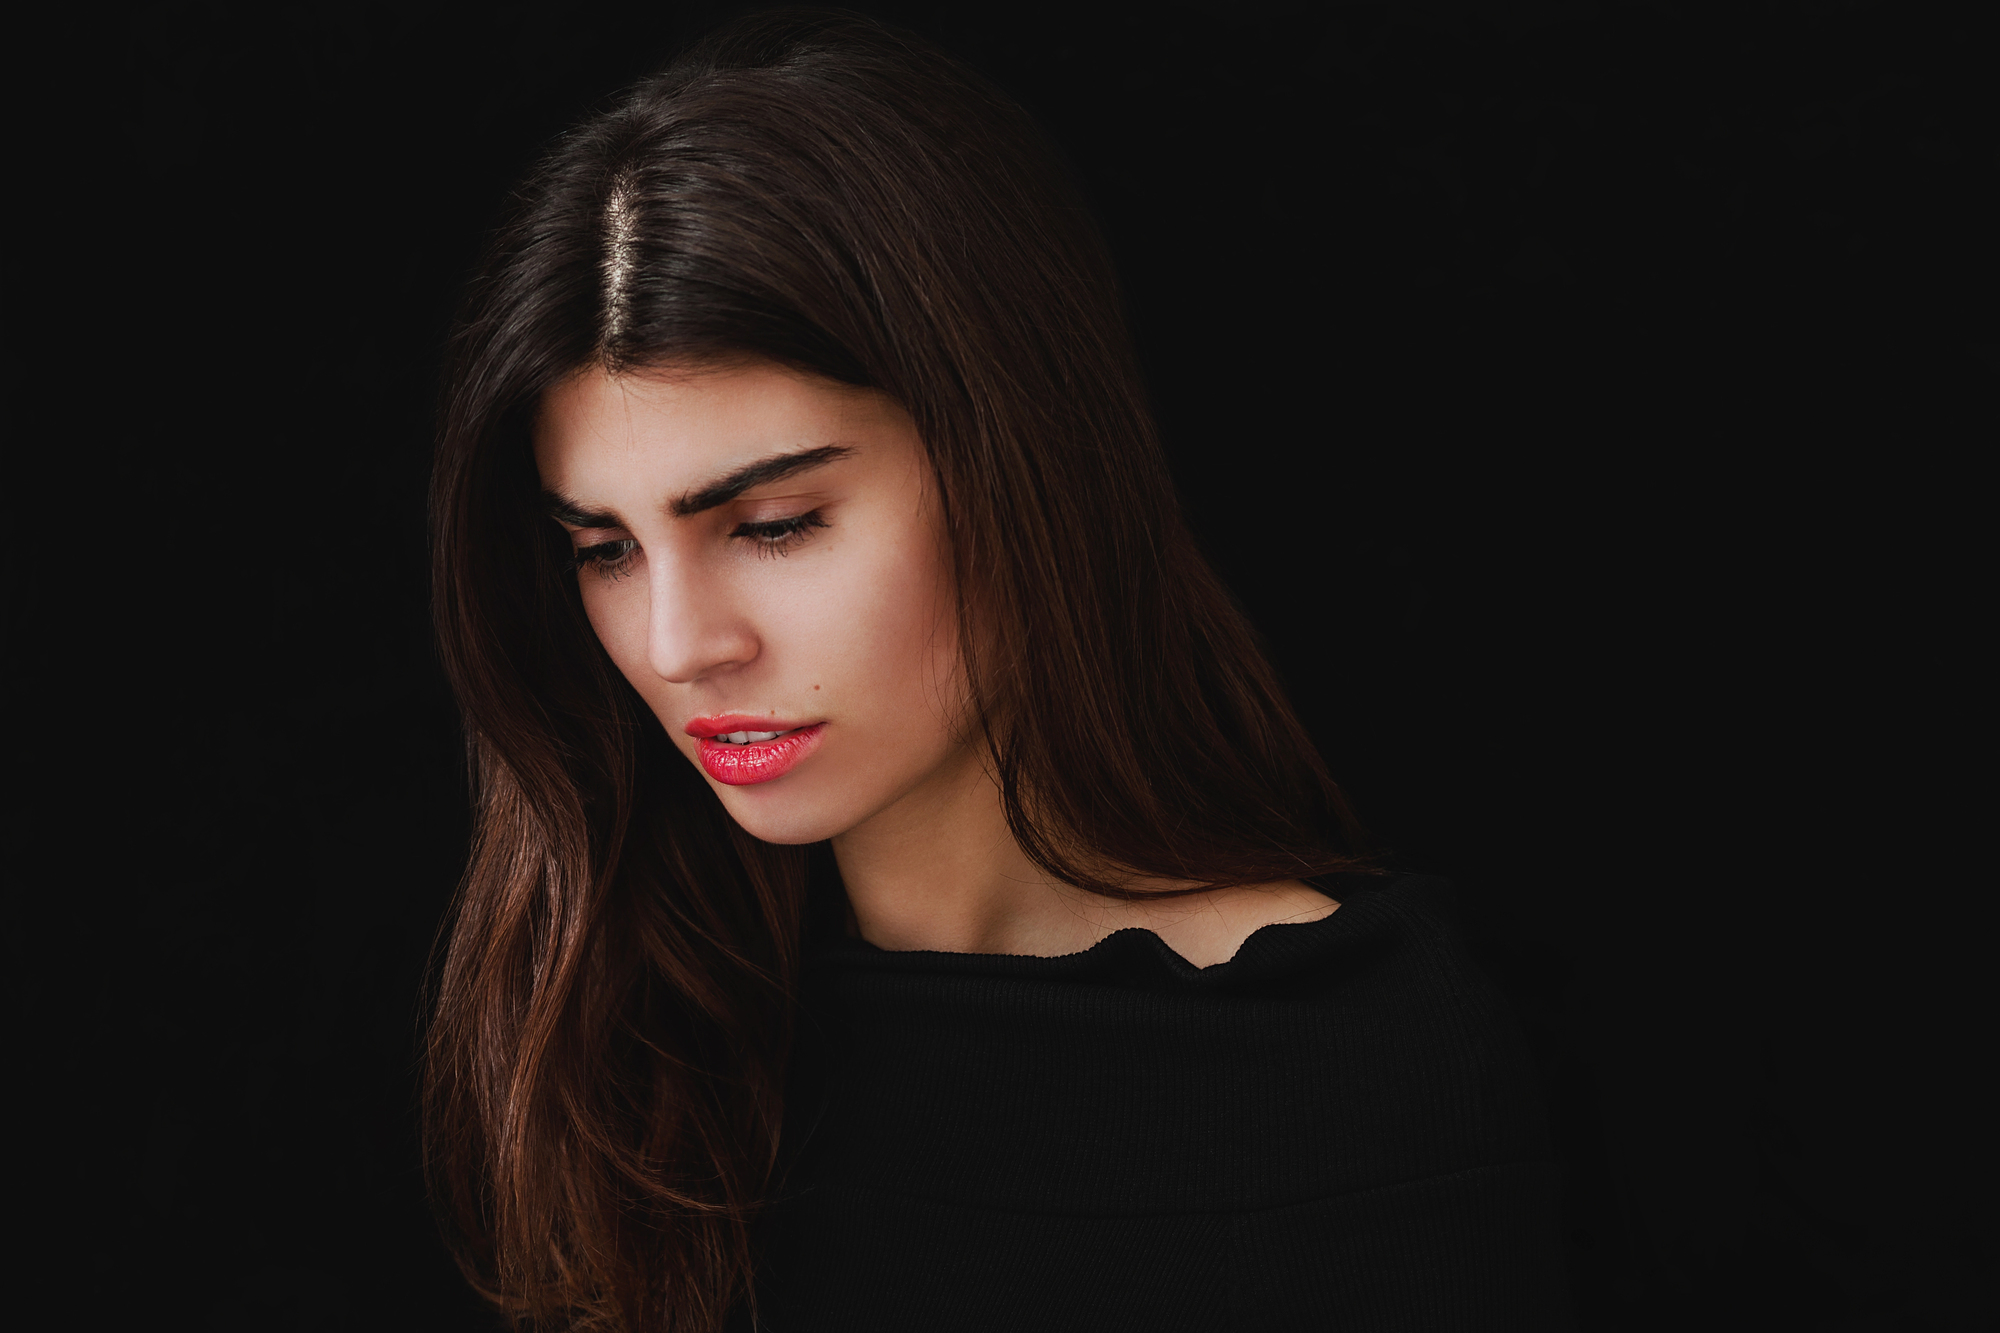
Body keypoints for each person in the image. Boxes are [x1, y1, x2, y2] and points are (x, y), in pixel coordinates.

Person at [425, 10, 1571, 1331]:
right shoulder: (626, 1024)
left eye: (773, 524)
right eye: (606, 549)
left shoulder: (1357, 1063)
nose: (680, 645)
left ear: (1022, 468)